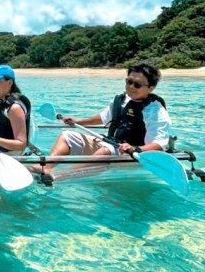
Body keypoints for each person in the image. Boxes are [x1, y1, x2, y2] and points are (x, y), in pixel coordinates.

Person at [37, 63, 172, 186]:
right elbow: (102, 118)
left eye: (137, 84)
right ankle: (46, 168)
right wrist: (78, 121)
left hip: (135, 155)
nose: (131, 87)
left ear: (151, 87)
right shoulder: (121, 100)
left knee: (106, 151)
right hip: (113, 145)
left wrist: (134, 149)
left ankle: (57, 177)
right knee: (67, 136)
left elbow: (159, 144)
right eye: (129, 81)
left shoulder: (155, 111)